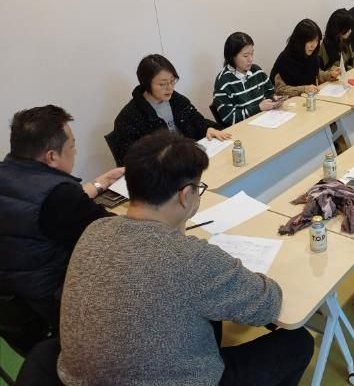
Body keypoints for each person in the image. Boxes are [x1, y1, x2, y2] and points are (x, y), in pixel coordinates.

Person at [57, 131, 314, 386]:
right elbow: (268, 304)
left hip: (77, 379)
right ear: (186, 195)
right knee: (298, 342)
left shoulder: (95, 230)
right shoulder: (191, 259)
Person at [0, 105, 124, 331]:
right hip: (49, 305)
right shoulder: (61, 197)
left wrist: (98, 184)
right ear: (52, 156)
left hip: (13, 302)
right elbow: (114, 233)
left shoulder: (8, 173)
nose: (75, 152)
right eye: (72, 146)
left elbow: (36, 203)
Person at [112, 54, 230, 165]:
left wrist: (208, 128)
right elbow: (129, 159)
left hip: (191, 159)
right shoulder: (129, 117)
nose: (170, 88)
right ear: (146, 84)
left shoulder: (177, 100)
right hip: (163, 171)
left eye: (172, 81)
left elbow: (196, 120)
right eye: (162, 84)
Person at [211, 32, 284, 127]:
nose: (250, 59)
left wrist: (274, 100)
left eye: (252, 54)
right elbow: (229, 118)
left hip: (265, 122)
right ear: (232, 56)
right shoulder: (223, 82)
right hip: (243, 129)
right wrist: (258, 108)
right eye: (245, 56)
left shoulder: (257, 71)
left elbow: (269, 94)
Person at [270, 19, 340, 96]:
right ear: (300, 41)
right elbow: (280, 90)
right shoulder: (285, 60)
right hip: (290, 102)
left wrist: (330, 75)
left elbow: (315, 74)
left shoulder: (312, 56)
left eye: (316, 41)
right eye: (310, 41)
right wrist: (303, 89)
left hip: (308, 98)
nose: (314, 45)